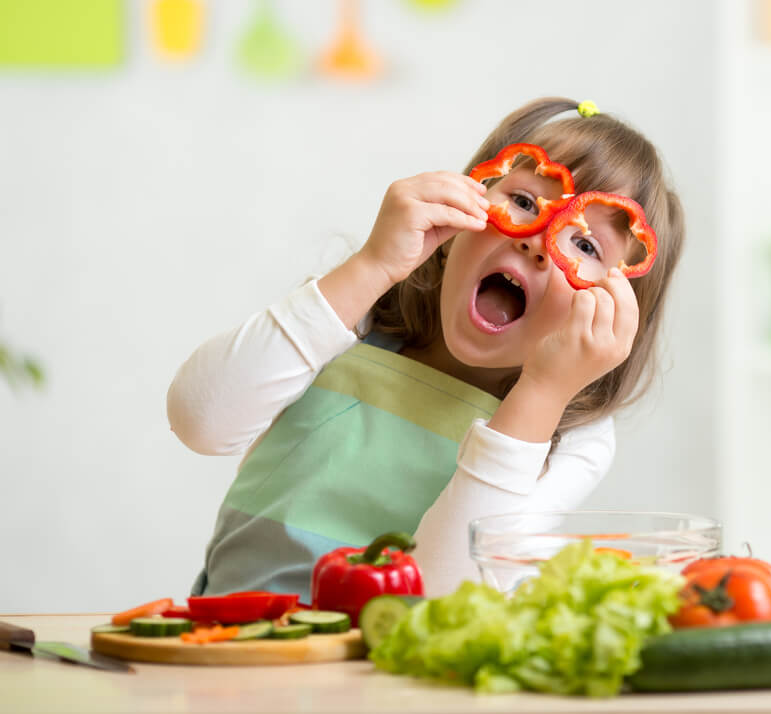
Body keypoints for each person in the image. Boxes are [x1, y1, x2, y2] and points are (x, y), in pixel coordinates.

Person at [167, 96, 686, 599]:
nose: (537, 240)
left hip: (390, 681)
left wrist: (544, 392)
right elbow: (200, 422)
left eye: (586, 244)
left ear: (616, 309)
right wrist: (371, 265)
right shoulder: (355, 316)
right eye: (524, 201)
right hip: (226, 647)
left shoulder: (576, 435)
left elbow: (446, 591)